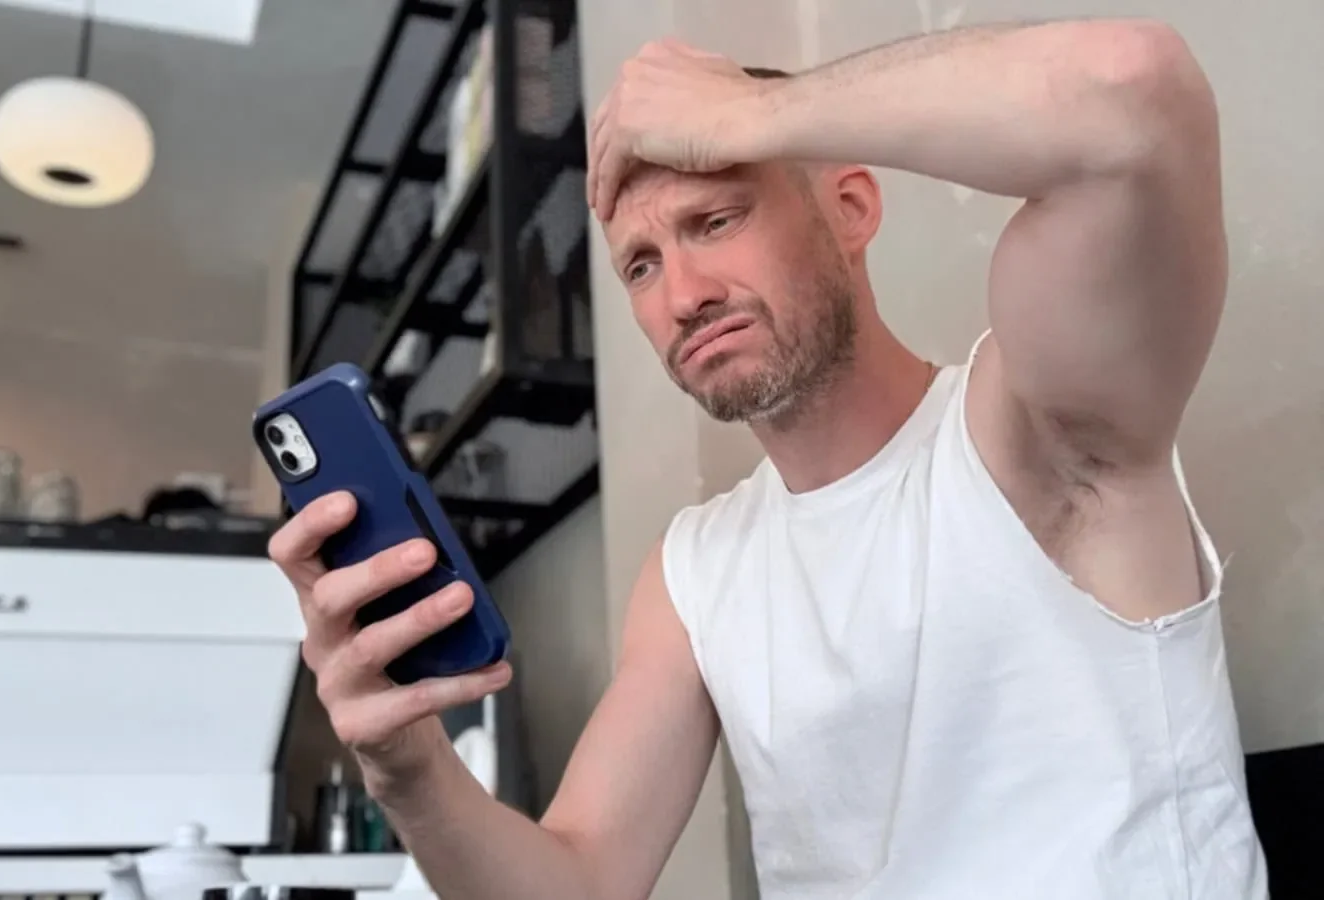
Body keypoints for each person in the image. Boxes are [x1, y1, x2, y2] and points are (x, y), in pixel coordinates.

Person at [268, 17, 1267, 898]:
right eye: (641, 265)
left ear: (852, 209)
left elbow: (1134, 92)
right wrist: (406, 770)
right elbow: (578, 882)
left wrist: (752, 114)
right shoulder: (695, 570)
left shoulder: (1036, 427)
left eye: (716, 220)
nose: (682, 296)